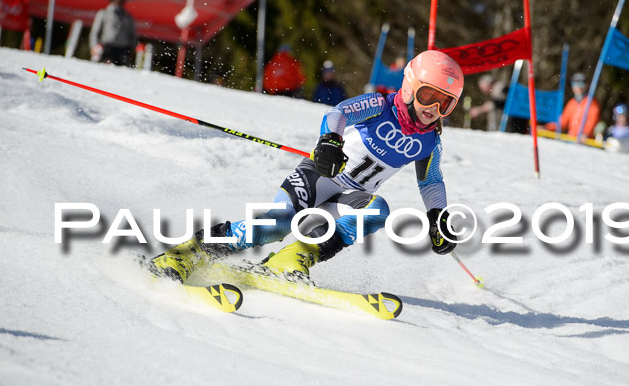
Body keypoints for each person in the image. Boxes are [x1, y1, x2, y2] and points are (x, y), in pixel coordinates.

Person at [150, 50, 465, 283]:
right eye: (429, 96)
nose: (434, 109)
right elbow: (339, 113)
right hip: (319, 175)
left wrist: (438, 217)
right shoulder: (381, 106)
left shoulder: (429, 142)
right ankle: (185, 254)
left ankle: (291, 259)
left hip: (350, 197)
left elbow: (431, 182)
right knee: (272, 226)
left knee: (377, 210)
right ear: (410, 87)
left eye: (445, 103)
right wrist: (330, 141)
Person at [89, 0, 137, 66]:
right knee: (107, 66)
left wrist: (133, 48)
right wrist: (94, 46)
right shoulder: (104, 13)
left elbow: (132, 34)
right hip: (108, 47)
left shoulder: (128, 16)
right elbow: (95, 31)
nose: (119, 0)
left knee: (125, 69)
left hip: (123, 49)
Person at [550, 72, 600, 139]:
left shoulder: (592, 103)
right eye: (574, 84)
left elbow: (592, 121)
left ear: (586, 85)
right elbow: (562, 122)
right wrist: (547, 127)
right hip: (571, 138)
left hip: (585, 141)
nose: (578, 87)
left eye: (581, 84)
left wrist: (585, 134)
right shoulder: (571, 103)